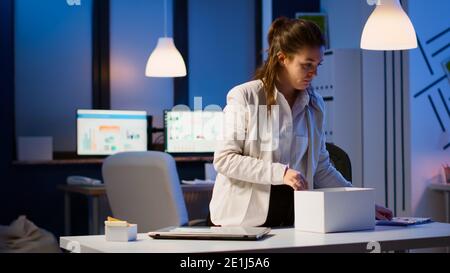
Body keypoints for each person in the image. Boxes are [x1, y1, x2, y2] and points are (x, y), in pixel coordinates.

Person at [208, 17, 393, 227]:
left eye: (317, 65)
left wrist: (362, 203)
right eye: (307, 65)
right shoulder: (245, 96)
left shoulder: (314, 104)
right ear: (282, 58)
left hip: (293, 219)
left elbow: (321, 168)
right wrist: (281, 173)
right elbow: (225, 159)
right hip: (243, 222)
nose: (314, 73)